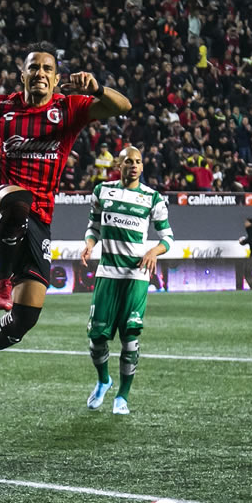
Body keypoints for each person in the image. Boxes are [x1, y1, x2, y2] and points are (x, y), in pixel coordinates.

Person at [0, 41, 132, 395]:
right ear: (22, 74)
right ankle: (3, 278)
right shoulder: (3, 106)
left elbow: (123, 106)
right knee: (18, 200)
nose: (40, 73)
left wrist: (98, 87)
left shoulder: (69, 109)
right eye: (33, 67)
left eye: (47, 69)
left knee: (25, 319)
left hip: (39, 220)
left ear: (56, 79)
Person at [80, 146, 173, 415]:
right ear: (118, 165)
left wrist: (154, 251)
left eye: (138, 162)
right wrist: (89, 244)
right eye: (128, 161)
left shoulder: (153, 198)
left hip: (136, 275)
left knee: (130, 336)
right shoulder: (102, 192)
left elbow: (168, 237)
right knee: (96, 337)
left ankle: (123, 396)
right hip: (107, 273)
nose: (133, 165)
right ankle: (103, 381)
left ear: (142, 167)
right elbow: (93, 227)